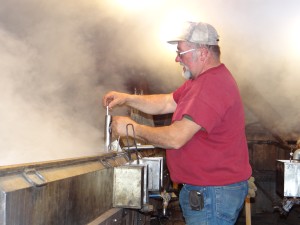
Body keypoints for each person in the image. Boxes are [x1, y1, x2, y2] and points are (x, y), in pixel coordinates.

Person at [102, 21, 252, 225]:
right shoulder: (199, 82)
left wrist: (132, 128)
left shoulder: (211, 86)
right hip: (209, 191)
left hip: (211, 194)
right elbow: (166, 102)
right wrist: (127, 98)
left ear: (202, 52)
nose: (176, 58)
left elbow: (175, 138)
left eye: (181, 52)